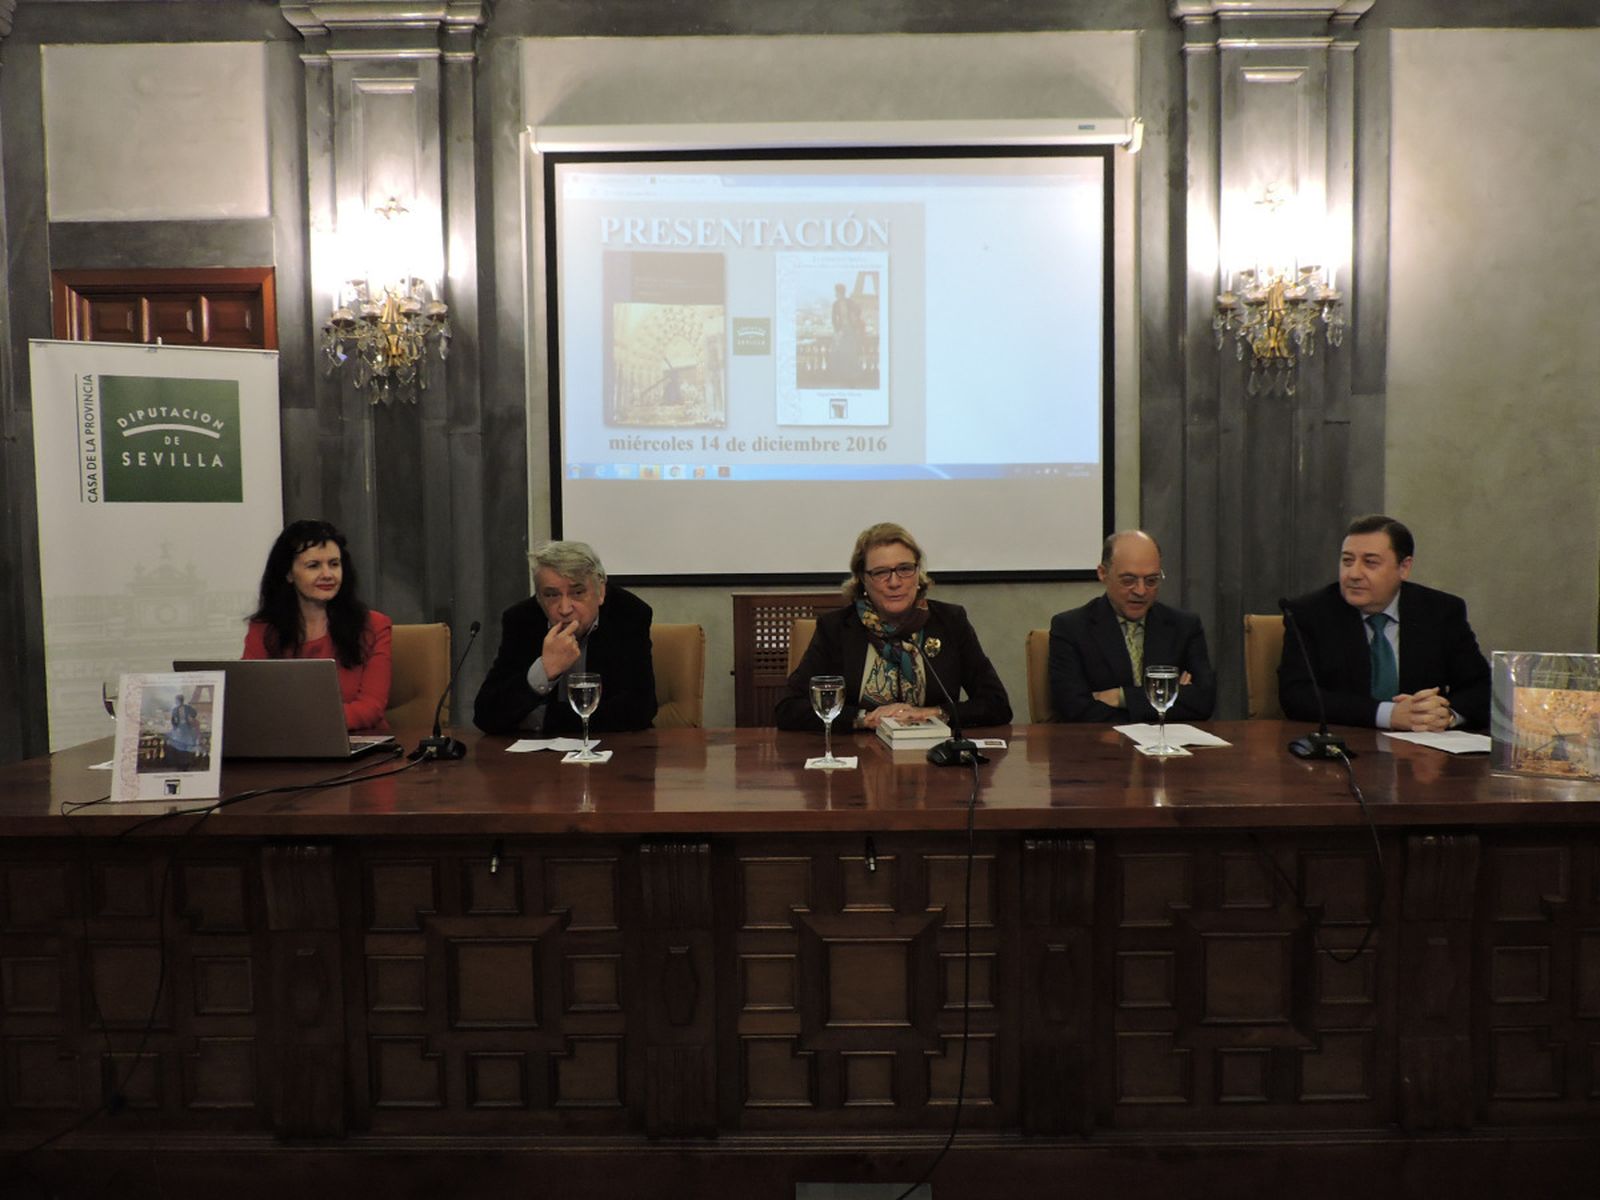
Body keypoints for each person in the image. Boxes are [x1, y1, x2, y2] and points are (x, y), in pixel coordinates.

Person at [775, 522, 1011, 732]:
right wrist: (863, 719)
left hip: (933, 757)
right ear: (863, 580)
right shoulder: (836, 628)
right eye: (881, 573)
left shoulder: (950, 621)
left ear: (918, 574)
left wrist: (933, 713)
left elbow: (996, 703)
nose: (895, 582)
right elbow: (789, 708)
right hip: (860, 761)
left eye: (905, 569)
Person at [1278, 513, 1490, 731]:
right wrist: (1388, 715)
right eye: (1347, 561)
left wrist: (1445, 715)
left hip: (1425, 753)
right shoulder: (1309, 613)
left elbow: (1481, 687)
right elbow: (1297, 696)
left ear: (1404, 567)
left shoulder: (1441, 611)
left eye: (1370, 562)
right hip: (1348, 746)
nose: (1353, 574)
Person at [473, 540, 657, 736]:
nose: (565, 609)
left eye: (577, 593)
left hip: (614, 753)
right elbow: (486, 715)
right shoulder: (521, 620)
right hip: (539, 760)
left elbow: (640, 709)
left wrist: (544, 719)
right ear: (539, 599)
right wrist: (544, 672)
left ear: (600, 592)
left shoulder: (629, 614)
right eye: (552, 595)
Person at [1047, 530, 1216, 723]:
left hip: (1170, 747)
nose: (1141, 591)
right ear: (1103, 573)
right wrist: (1167, 697)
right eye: (1128, 581)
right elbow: (1075, 709)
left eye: (1151, 581)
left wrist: (1121, 697)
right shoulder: (1071, 628)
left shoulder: (1184, 626)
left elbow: (1203, 702)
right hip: (1102, 747)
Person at [243, 519, 392, 731]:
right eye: (313, 566)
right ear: (288, 574)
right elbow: (251, 701)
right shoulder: (263, 629)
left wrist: (302, 726)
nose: (328, 575)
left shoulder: (374, 626)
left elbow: (371, 707)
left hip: (360, 746)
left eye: (334, 564)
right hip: (287, 751)